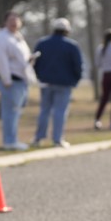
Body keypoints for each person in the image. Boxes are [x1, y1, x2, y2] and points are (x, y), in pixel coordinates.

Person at [31, 17, 83, 148]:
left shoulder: (42, 43)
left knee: (44, 111)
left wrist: (39, 76)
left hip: (45, 83)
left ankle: (38, 138)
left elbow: (35, 63)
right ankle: (57, 139)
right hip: (64, 84)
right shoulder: (71, 45)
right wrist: (75, 80)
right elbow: (78, 66)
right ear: (67, 31)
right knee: (60, 112)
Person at [0, 10, 34, 150]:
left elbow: (22, 58)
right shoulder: (1, 38)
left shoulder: (18, 37)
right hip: (11, 81)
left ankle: (13, 139)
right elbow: (1, 60)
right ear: (5, 22)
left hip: (21, 79)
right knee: (11, 112)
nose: (14, 23)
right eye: (11, 20)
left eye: (16, 20)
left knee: (16, 112)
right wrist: (6, 80)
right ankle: (10, 141)